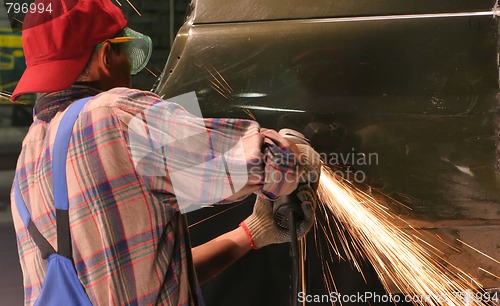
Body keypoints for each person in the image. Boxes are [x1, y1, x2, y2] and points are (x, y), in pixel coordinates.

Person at [10, 0, 321, 305]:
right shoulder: (115, 114)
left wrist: (250, 234)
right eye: (126, 54)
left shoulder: (28, 160)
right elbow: (274, 166)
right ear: (107, 55)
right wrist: (296, 152)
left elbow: (150, 281)